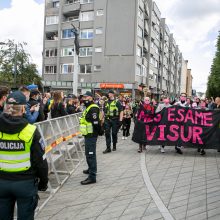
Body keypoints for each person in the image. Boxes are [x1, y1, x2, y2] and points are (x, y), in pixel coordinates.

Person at [0, 91, 48, 220]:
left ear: (6, 107)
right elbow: (41, 161)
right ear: (23, 108)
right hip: (25, 184)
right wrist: (43, 183)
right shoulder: (31, 130)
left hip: (2, 183)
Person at [80, 91, 101, 185]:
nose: (84, 99)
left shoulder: (93, 108)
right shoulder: (88, 107)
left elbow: (96, 122)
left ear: (91, 98)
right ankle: (90, 169)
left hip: (91, 135)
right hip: (88, 135)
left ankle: (92, 176)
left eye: (86, 97)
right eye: (83, 98)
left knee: (91, 155)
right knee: (88, 153)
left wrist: (99, 132)